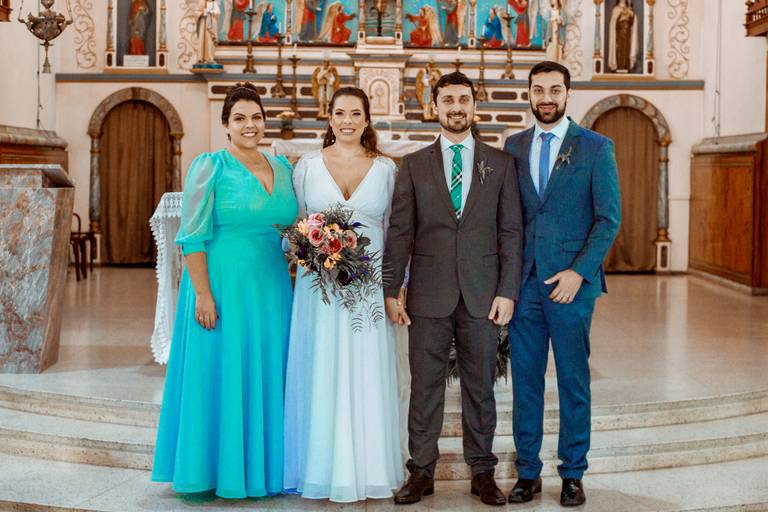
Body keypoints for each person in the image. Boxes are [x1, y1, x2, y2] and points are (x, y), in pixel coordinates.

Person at [151, 83, 298, 498]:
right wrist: (202, 294)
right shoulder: (210, 166)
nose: (250, 125)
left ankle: (264, 470)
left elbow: (291, 228)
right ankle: (214, 471)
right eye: (240, 118)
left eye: (256, 117)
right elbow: (192, 236)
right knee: (220, 373)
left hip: (270, 289)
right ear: (226, 125)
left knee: (264, 373)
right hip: (221, 286)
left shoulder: (283, 167)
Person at [384, 71, 523, 506]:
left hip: (483, 293)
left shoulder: (500, 163)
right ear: (435, 107)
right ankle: (421, 472)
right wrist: (391, 288)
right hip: (428, 292)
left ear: (474, 106)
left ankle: (482, 473)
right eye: (448, 100)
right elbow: (401, 232)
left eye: (464, 99)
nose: (456, 107)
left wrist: (508, 290)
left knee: (480, 387)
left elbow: (511, 232)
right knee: (425, 385)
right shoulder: (414, 165)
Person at [503, 61, 621, 507]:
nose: (546, 98)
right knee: (525, 383)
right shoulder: (513, 147)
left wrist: (578, 271)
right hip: (526, 284)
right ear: (529, 94)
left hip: (572, 285)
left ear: (568, 93)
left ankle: (573, 472)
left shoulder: (595, 147)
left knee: (573, 381)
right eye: (538, 90)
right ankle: (527, 472)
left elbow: (608, 219)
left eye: (555, 89)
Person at [283, 87, 404, 503]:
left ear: (367, 119)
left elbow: (395, 231)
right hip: (320, 290)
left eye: (355, 113)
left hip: (369, 286)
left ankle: (369, 468)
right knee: (322, 365)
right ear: (329, 117)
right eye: (340, 113)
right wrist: (310, 251)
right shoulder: (306, 167)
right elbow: (296, 227)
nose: (347, 121)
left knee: (367, 366)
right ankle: (320, 468)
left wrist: (396, 287)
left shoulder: (386, 169)